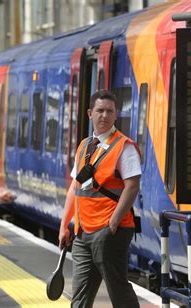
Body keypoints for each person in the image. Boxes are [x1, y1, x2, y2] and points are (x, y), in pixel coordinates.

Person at [58, 90, 141, 308]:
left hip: (109, 231)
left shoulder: (125, 147)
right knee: (80, 295)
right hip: (83, 232)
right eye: (99, 110)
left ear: (115, 116)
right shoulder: (85, 145)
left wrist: (112, 224)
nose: (104, 115)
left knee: (118, 289)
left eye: (109, 111)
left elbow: (132, 187)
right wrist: (65, 225)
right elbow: (74, 188)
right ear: (89, 113)